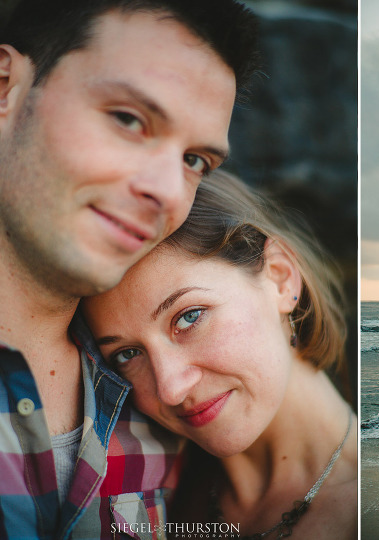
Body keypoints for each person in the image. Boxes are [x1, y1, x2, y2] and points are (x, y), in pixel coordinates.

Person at [0, 1, 259, 537]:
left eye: (195, 162)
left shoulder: (162, 405)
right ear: (6, 86)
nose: (166, 191)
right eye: (128, 119)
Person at [82, 170, 358, 539]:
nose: (170, 389)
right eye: (127, 353)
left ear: (280, 277)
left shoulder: (374, 512)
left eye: (189, 317)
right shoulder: (148, 498)